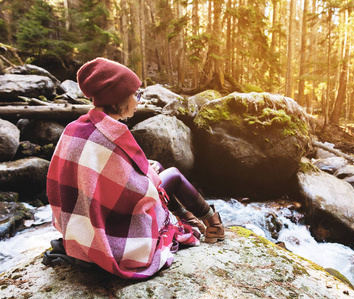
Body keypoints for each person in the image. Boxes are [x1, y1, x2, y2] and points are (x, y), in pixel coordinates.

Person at [46, 57, 224, 279]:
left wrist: (147, 169)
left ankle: (189, 218)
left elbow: (66, 179)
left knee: (156, 166)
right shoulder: (112, 134)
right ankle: (213, 224)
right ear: (119, 97)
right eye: (136, 95)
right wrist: (150, 174)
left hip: (80, 224)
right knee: (173, 176)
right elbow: (138, 192)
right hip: (111, 228)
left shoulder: (77, 126)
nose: (139, 101)